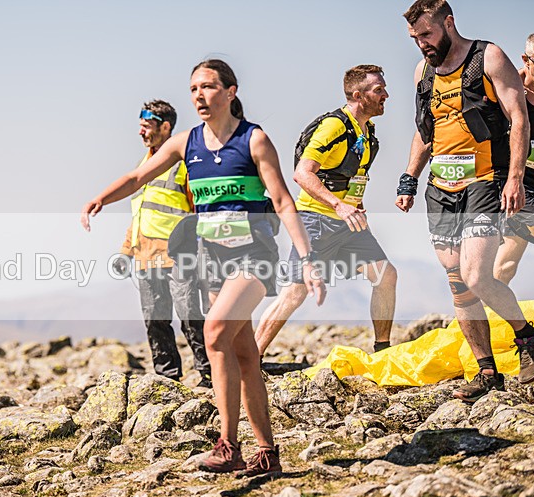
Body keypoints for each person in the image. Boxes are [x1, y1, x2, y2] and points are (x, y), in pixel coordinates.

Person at [82, 59, 325, 476]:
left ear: (230, 92)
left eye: (208, 87)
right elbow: (138, 176)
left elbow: (283, 201)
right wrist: (101, 198)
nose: (199, 95)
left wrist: (306, 259)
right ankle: (267, 452)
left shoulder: (254, 141)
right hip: (213, 259)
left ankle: (228, 445)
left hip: (254, 255)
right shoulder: (185, 143)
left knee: (213, 332)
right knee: (243, 352)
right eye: (194, 88)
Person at [395, 0, 534, 402]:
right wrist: (409, 178)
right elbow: (425, 131)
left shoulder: (488, 56)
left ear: (448, 23)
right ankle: (486, 372)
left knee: (478, 274)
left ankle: (528, 336)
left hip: (485, 181)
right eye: (415, 38)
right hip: (441, 188)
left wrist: (515, 179)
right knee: (459, 285)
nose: (422, 44)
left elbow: (520, 119)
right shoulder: (422, 72)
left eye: (427, 35)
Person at [255, 65, 397, 357]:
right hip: (315, 221)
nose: (386, 95)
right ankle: (249, 360)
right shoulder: (334, 126)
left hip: (348, 224)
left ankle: (382, 349)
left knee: (385, 275)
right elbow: (302, 174)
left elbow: (348, 177)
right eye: (378, 90)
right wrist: (338, 204)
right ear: (358, 95)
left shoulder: (366, 130)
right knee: (295, 293)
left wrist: (354, 205)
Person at [115, 99, 211, 387]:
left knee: (190, 315)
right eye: (140, 127)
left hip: (180, 255)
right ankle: (167, 377)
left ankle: (210, 374)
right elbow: (140, 213)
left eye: (147, 127)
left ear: (166, 127)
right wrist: (125, 252)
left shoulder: (184, 165)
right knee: (155, 319)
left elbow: (199, 211)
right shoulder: (142, 165)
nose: (142, 132)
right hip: (145, 256)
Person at [494, 31, 534, 283]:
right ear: (525, 59)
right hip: (510, 185)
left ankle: (483, 314)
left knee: (506, 264)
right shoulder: (508, 89)